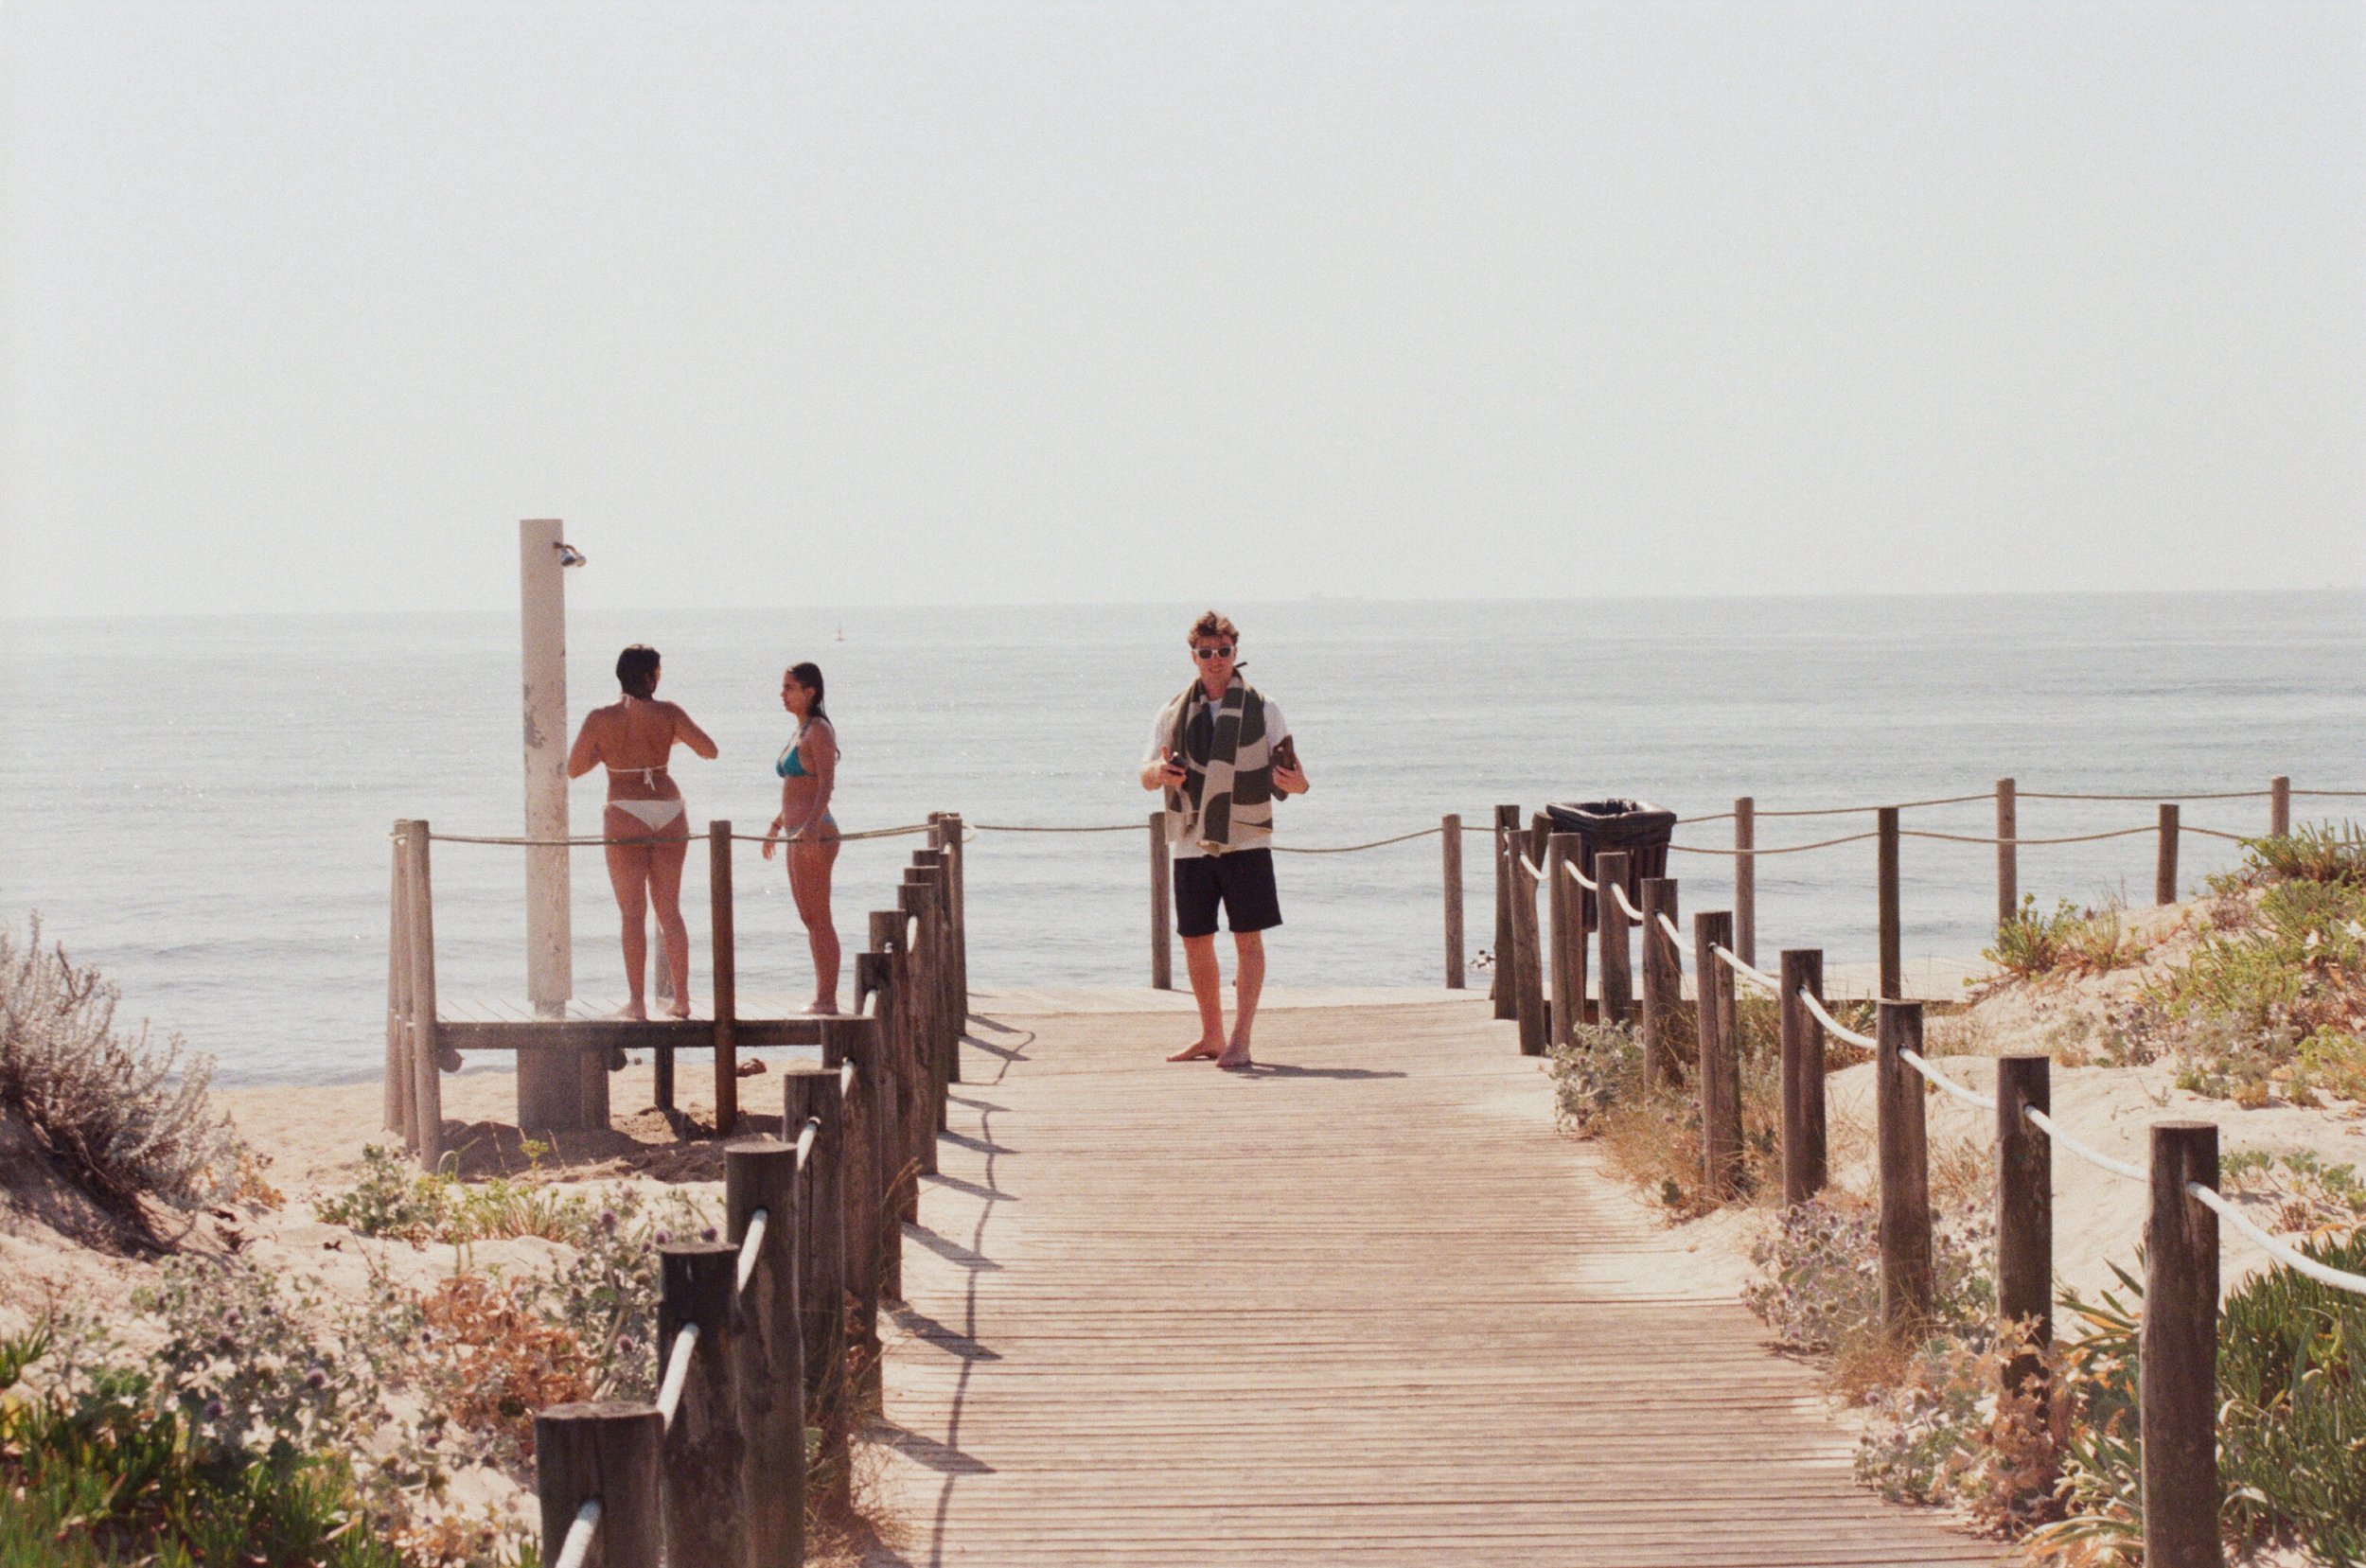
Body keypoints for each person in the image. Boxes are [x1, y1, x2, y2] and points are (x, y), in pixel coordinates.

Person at [1139, 611, 1309, 1069]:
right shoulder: (1171, 712)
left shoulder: (1264, 708)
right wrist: (1160, 772)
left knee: (1246, 937)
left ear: (1236, 652)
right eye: (1206, 653)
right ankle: (1211, 1035)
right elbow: (1145, 776)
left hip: (1246, 839)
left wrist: (1292, 781)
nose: (1215, 661)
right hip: (1191, 838)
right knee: (1195, 939)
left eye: (1224, 652)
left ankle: (1241, 1039)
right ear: (1193, 656)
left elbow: (1300, 783)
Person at [566, 644, 718, 1019]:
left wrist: (608, 752)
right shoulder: (669, 713)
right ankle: (681, 999)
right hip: (668, 809)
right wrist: (670, 737)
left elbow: (573, 768)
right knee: (670, 911)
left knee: (632, 913)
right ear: (652, 675)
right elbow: (709, 750)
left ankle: (636, 1003)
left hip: (625, 811)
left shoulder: (601, 718)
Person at [761, 661, 842, 1013]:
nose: (783, 694)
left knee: (819, 917)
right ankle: (821, 995)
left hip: (816, 830)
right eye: (783, 687)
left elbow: (825, 783)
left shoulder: (819, 730)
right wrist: (778, 824)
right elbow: (796, 785)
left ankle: (827, 999)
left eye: (789, 688)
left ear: (810, 692)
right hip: (797, 830)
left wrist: (809, 825)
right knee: (808, 918)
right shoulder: (800, 729)